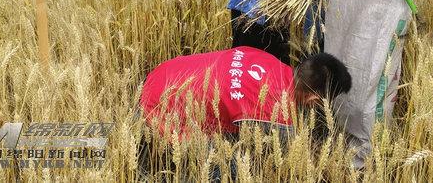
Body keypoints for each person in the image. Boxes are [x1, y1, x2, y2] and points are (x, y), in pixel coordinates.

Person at [140, 46, 352, 137]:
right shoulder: (277, 119)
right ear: (314, 98)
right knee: (230, 165)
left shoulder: (270, 61)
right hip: (159, 110)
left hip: (162, 74)